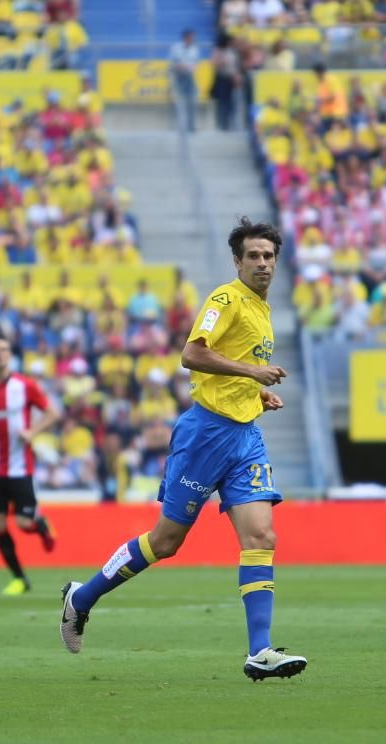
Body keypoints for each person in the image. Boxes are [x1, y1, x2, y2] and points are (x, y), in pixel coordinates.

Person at [59, 218, 307, 682]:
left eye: (269, 256)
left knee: (262, 538)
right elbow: (192, 354)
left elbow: (235, 369)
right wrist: (253, 376)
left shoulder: (262, 308)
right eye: (253, 256)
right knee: (167, 541)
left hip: (245, 436)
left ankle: (260, 651)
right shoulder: (225, 298)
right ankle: (83, 597)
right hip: (204, 435)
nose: (262, 263)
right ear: (237, 261)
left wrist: (256, 394)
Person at [0, 336, 61, 594]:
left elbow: (53, 413)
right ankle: (19, 578)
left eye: (3, 350)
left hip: (20, 468)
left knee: (22, 523)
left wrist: (33, 431)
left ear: (10, 355)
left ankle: (40, 524)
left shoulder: (25, 385)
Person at [169, 28, 199, 133]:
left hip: (189, 77)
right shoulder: (176, 48)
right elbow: (174, 63)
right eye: (191, 37)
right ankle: (180, 127)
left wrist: (190, 68)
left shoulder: (194, 49)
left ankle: (192, 126)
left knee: (192, 102)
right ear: (186, 37)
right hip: (178, 77)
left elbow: (195, 64)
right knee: (180, 103)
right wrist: (184, 66)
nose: (193, 39)